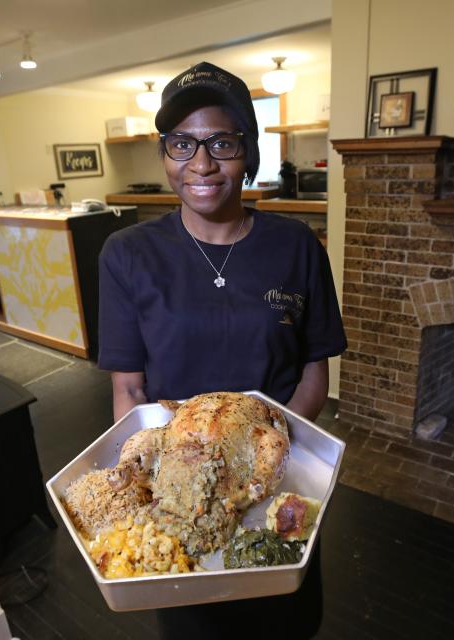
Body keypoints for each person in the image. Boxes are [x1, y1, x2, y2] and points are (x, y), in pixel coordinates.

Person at [97, 61, 346, 422]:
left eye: (222, 144)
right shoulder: (126, 253)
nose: (201, 164)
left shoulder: (297, 245)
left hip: (272, 450)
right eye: (182, 144)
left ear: (248, 155)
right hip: (176, 453)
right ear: (165, 154)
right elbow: (129, 389)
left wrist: (277, 447)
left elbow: (313, 368)